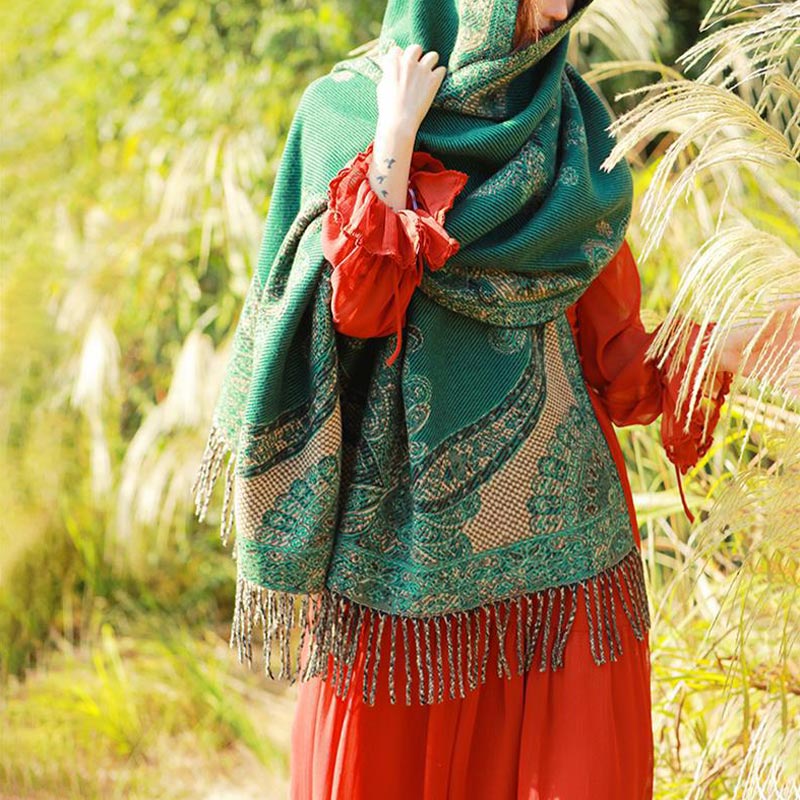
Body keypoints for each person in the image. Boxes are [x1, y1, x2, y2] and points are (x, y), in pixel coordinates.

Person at [190, 1, 782, 798]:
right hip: (399, 572)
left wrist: (737, 342)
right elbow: (359, 308)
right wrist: (395, 139)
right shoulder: (348, 109)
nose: (557, 11)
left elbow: (615, 359)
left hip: (563, 568)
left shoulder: (571, 135)